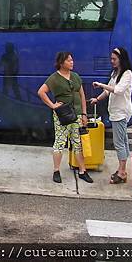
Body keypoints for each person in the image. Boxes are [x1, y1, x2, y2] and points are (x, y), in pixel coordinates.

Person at [37, 52, 93, 184]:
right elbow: (41, 92)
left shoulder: (75, 76)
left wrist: (84, 114)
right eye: (69, 60)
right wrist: (53, 105)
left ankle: (82, 171)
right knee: (60, 142)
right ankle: (56, 171)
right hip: (62, 115)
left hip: (77, 114)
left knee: (77, 143)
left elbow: (82, 95)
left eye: (72, 60)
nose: (72, 62)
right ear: (61, 63)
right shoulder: (54, 78)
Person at [90, 47, 132, 184]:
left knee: (119, 143)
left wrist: (101, 84)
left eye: (114, 59)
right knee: (123, 141)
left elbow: (118, 90)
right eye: (111, 59)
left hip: (120, 113)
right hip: (115, 112)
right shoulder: (115, 73)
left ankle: (121, 172)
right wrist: (97, 98)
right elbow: (108, 91)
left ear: (121, 59)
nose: (112, 61)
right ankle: (123, 170)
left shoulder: (127, 74)